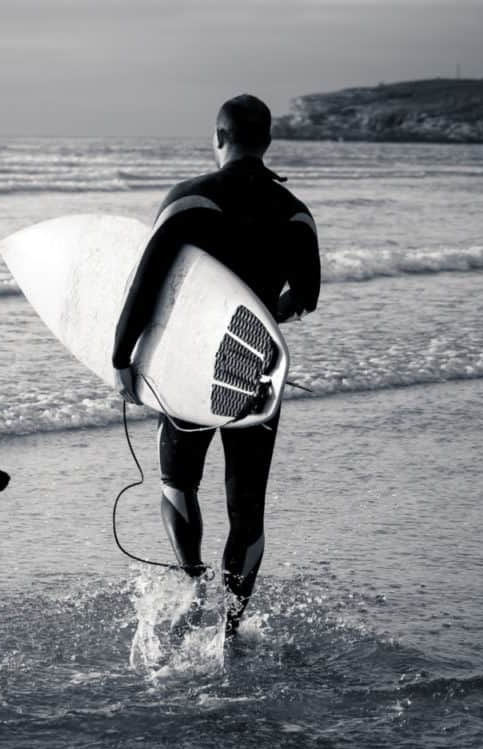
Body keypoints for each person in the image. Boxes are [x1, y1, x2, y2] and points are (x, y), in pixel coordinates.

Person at [112, 94, 321, 636]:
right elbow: (306, 296)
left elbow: (146, 285)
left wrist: (122, 358)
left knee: (179, 486)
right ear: (267, 142)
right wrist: (262, 314)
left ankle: (191, 582)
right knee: (246, 507)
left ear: (219, 137)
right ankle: (231, 629)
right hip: (254, 374)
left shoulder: (189, 201)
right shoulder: (295, 214)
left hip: (190, 370)